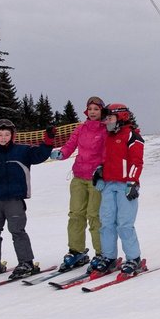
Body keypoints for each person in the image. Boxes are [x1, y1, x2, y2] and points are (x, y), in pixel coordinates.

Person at [0, 119, 55, 280]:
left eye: (7, 134)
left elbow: (40, 155)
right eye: (0, 134)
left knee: (17, 230)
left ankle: (26, 263)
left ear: (13, 136)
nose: (3, 137)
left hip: (14, 200)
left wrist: (48, 141)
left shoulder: (23, 151)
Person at [49, 96, 107, 270]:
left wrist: (102, 169)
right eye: (90, 109)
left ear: (101, 111)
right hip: (79, 177)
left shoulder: (105, 130)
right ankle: (76, 251)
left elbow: (107, 152)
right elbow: (70, 145)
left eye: (96, 109)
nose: (93, 112)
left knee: (94, 215)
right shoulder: (81, 128)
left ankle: (102, 253)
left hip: (96, 178)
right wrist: (61, 153)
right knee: (76, 214)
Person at [90, 103, 145, 276]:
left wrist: (132, 181)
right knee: (106, 223)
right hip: (108, 185)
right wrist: (99, 171)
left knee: (124, 224)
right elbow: (105, 159)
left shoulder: (132, 136)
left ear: (121, 118)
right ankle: (109, 258)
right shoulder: (107, 136)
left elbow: (137, 161)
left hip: (125, 186)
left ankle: (133, 258)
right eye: (105, 119)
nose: (106, 122)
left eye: (110, 118)